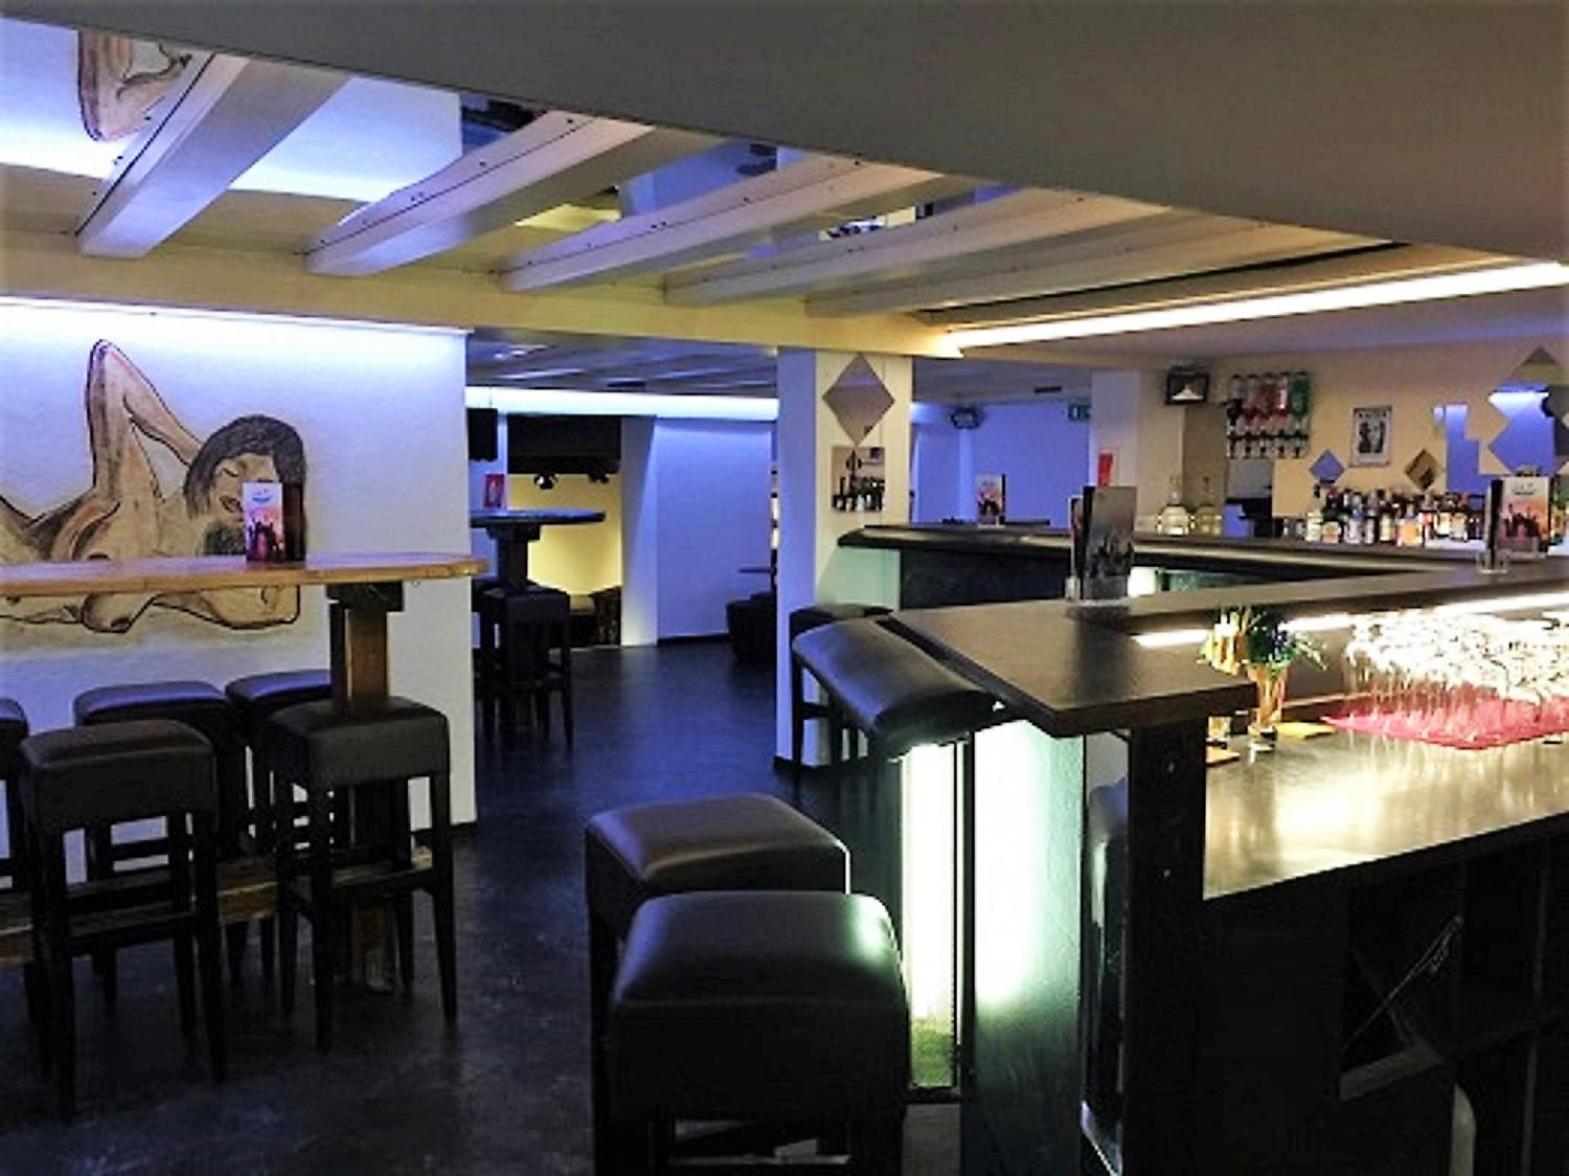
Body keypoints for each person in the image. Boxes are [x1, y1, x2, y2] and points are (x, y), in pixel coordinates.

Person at [1, 340, 306, 633]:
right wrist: (193, 451)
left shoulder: (194, 556)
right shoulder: (135, 504)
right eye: (233, 471)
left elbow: (281, 608)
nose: (243, 495)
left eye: (262, 490)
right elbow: (111, 364)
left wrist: (175, 581)